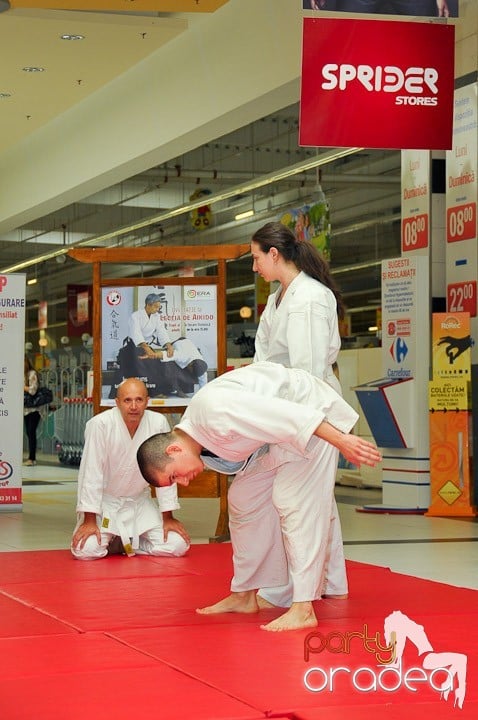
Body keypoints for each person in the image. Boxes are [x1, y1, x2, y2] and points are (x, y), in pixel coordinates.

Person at [137, 362, 381, 632]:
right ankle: (244, 594)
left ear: (173, 450)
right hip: (279, 439)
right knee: (243, 497)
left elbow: (288, 415)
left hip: (313, 417)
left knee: (294, 501)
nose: (182, 482)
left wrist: (343, 441)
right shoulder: (197, 433)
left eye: (174, 476)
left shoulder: (216, 413)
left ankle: (303, 607)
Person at [251, 221, 348, 608]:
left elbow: (307, 373)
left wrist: (301, 424)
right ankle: (332, 580)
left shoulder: (308, 298)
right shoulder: (280, 296)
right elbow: (265, 359)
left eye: (256, 258)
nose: (255, 267)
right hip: (287, 407)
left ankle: (301, 589)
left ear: (274, 254)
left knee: (296, 498)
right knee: (318, 499)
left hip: (310, 409)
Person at [71, 377, 190, 560]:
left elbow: (165, 473)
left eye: (139, 400)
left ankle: (131, 543)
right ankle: (117, 539)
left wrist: (168, 516)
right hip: (107, 505)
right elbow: (91, 473)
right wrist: (88, 520)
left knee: (177, 545)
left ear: (147, 401)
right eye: (127, 400)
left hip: (139, 504)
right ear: (117, 402)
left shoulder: (157, 423)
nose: (133, 406)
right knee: (86, 550)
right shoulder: (100, 425)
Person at [126, 292, 208, 397]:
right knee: (149, 363)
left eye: (159, 307)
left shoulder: (156, 317)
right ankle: (146, 391)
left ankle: (173, 389)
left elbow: (161, 331)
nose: (157, 309)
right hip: (134, 344)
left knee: (157, 361)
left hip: (146, 345)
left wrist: (168, 345)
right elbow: (136, 333)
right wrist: (147, 348)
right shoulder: (135, 316)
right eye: (156, 307)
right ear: (148, 305)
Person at [23, 356, 44, 466]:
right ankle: (31, 457)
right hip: (25, 408)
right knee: (28, 432)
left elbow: (32, 390)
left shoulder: (32, 374)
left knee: (31, 432)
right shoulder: (20, 374)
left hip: (34, 409)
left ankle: (32, 458)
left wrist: (22, 387)